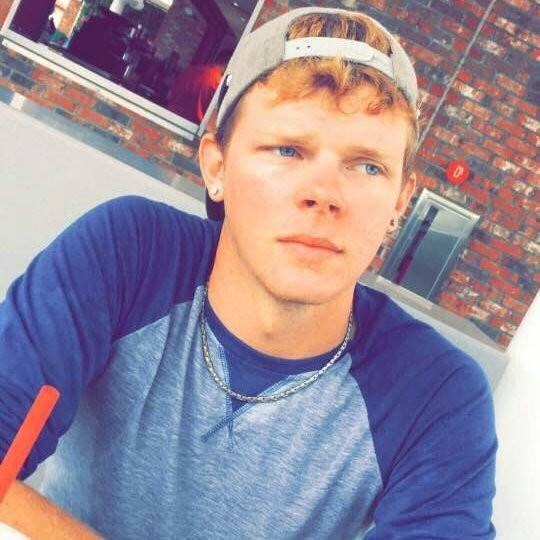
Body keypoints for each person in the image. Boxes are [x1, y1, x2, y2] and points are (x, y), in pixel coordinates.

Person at [0, 6, 497, 539]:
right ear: (216, 165)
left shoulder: (433, 394)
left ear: (400, 200)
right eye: (287, 150)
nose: (324, 194)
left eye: (367, 165)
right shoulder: (131, 255)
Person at [167, 49, 233, 124]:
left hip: (169, 118)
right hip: (190, 127)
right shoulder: (218, 84)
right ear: (228, 64)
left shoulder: (190, 71)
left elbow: (170, 94)